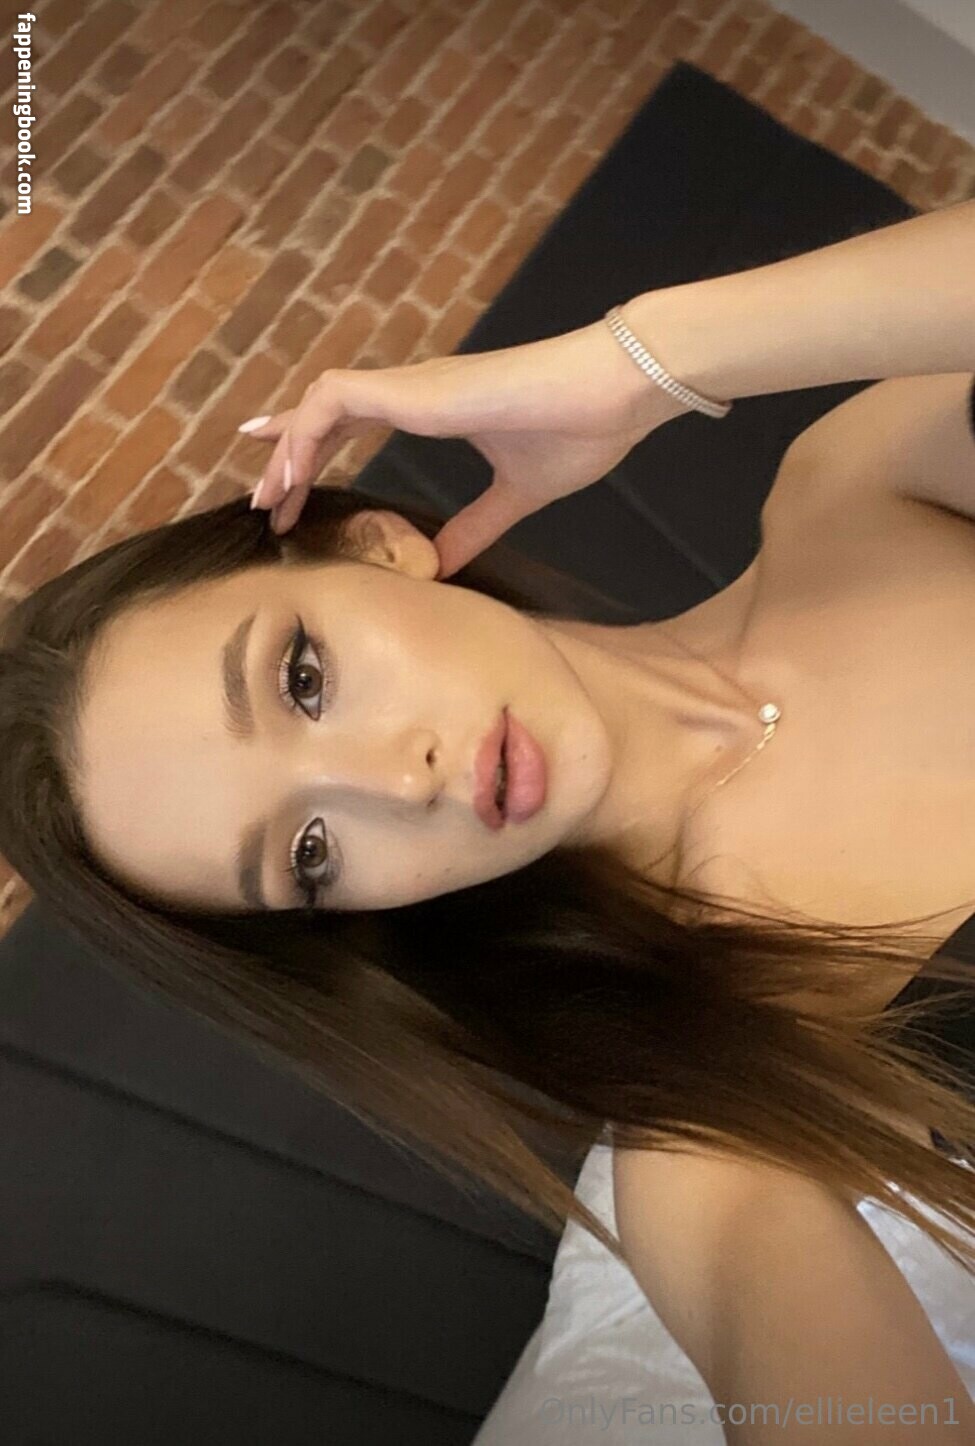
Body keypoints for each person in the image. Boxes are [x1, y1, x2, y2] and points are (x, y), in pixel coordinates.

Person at [3, 200, 975, 1438]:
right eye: (309, 854)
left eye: (303, 679)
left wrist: (638, 362)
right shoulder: (710, 1119)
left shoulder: (857, 495)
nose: (396, 785)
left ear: (375, 548)